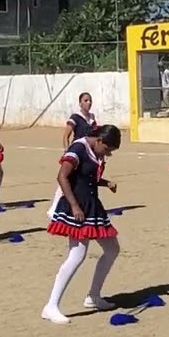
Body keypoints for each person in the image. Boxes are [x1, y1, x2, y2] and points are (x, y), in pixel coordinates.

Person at [42, 125, 123, 324]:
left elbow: (86, 177)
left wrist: (105, 183)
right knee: (77, 254)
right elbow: (62, 177)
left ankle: (93, 296)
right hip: (77, 206)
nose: (108, 154)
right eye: (108, 149)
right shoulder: (78, 149)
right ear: (99, 141)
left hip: (91, 204)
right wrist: (74, 206)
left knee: (112, 248)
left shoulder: (95, 150)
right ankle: (51, 305)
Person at [46, 92, 97, 218]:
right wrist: (67, 150)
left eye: (90, 100)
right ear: (80, 103)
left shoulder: (92, 118)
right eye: (85, 100)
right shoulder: (75, 117)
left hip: (87, 153)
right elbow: (66, 135)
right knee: (66, 179)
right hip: (77, 152)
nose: (88, 103)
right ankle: (54, 209)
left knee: (80, 180)